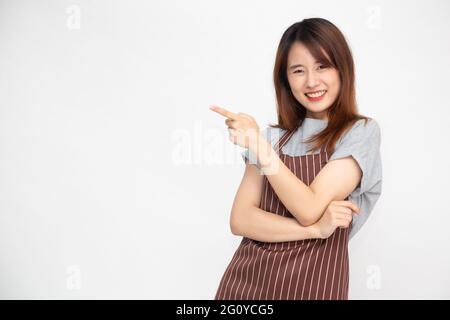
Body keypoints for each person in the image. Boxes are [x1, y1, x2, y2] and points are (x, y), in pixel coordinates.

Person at [209, 17, 382, 300]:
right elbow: (241, 220)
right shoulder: (272, 137)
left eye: (322, 66)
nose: (311, 82)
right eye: (298, 70)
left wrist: (260, 147)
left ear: (343, 69)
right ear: (286, 80)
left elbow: (309, 206)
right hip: (245, 287)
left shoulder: (361, 133)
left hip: (315, 288)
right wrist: (315, 230)